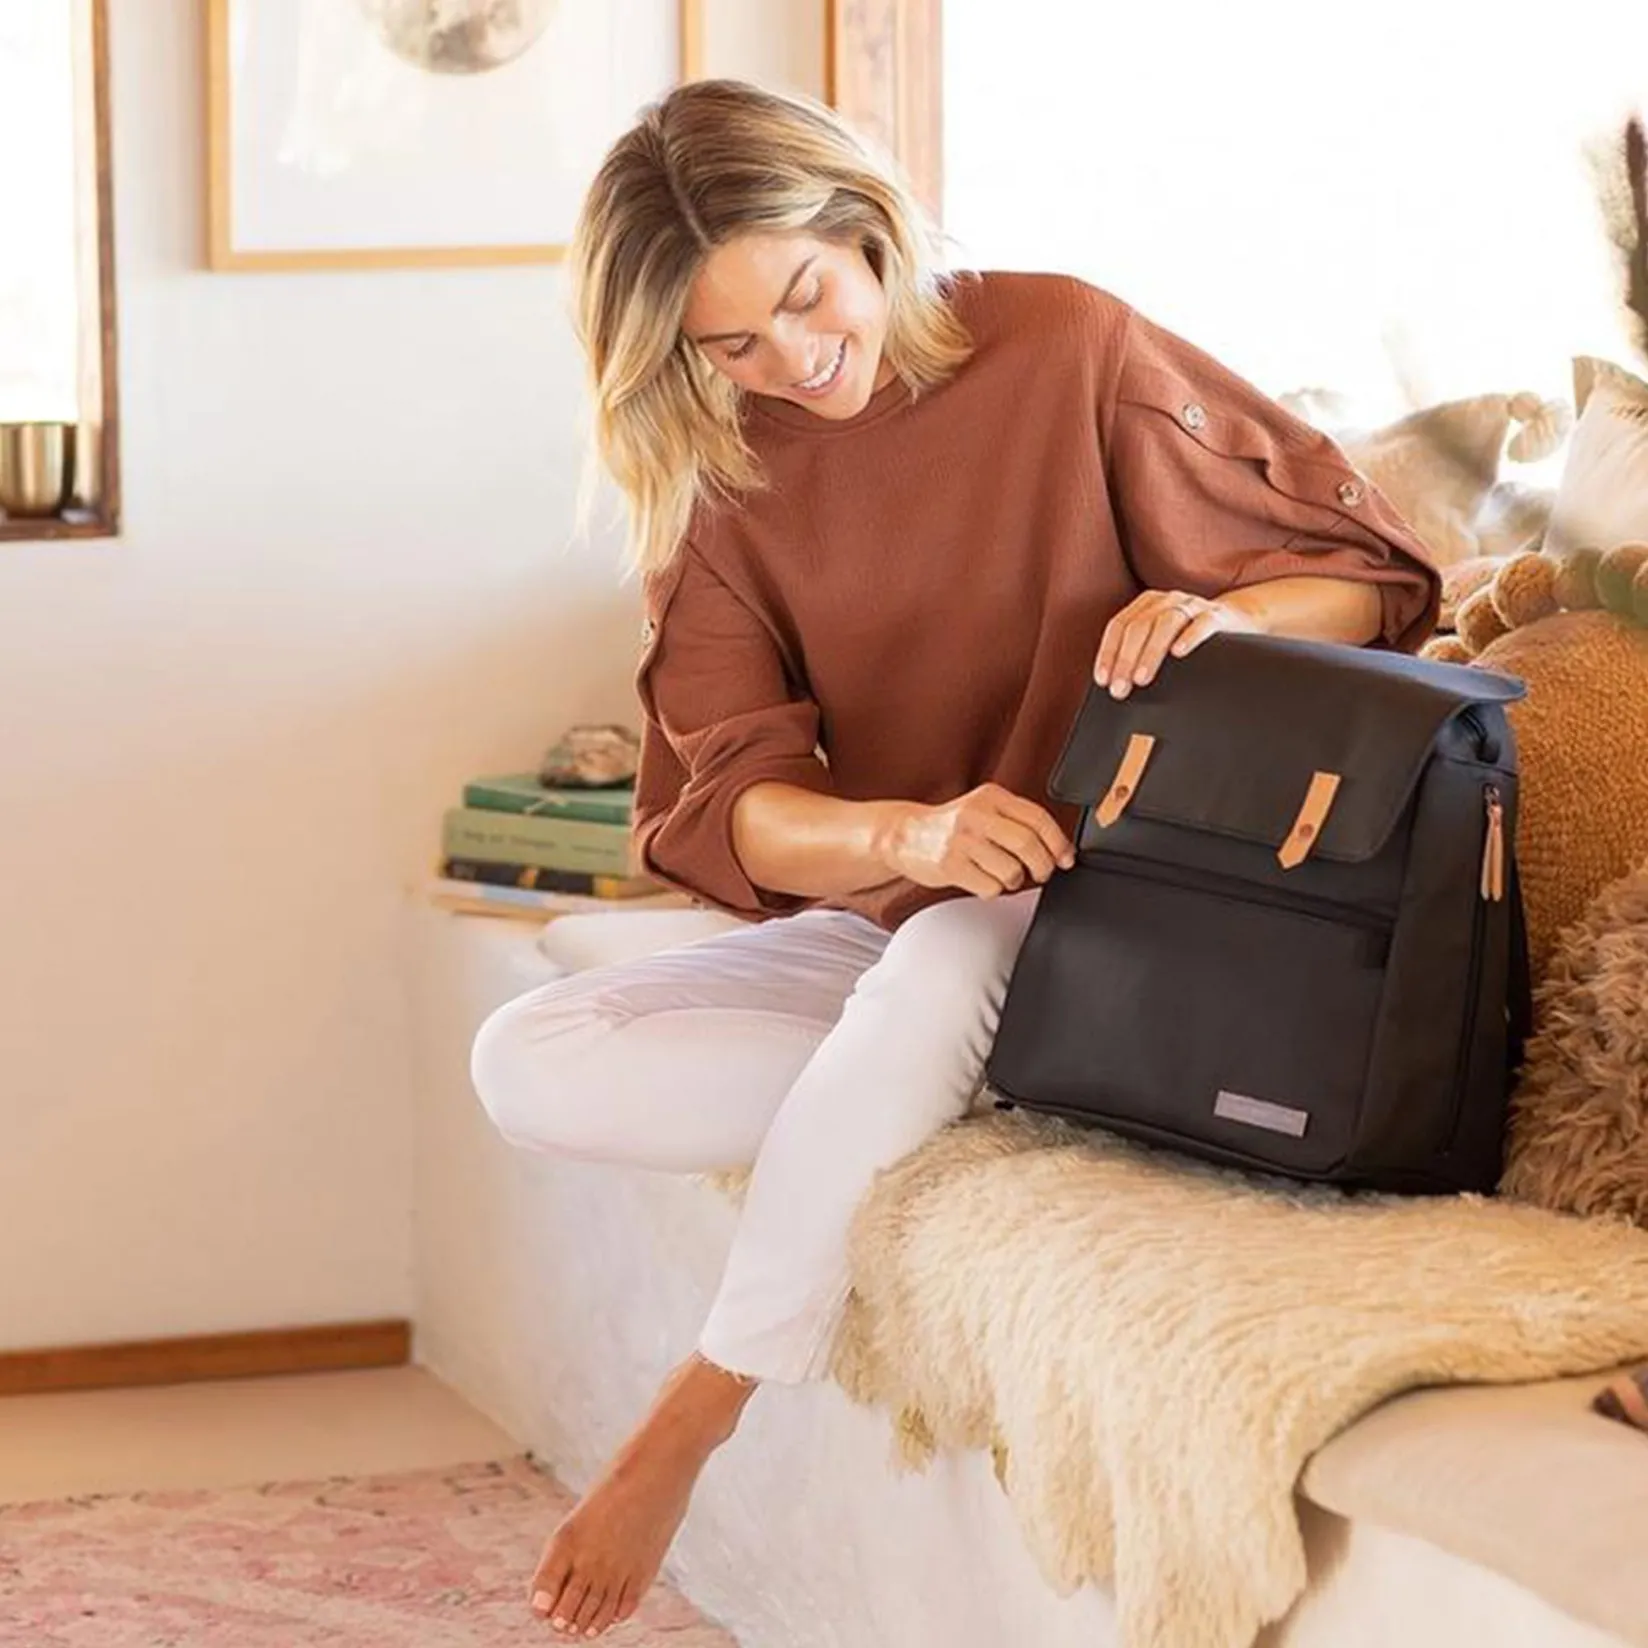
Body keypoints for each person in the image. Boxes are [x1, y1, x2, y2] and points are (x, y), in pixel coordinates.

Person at [469, 77, 1441, 1640]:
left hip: (1139, 904)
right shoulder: (722, 476)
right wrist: (906, 834)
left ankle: (700, 1408)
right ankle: (963, 1080)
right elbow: (735, 803)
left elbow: (1367, 578)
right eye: (732, 343)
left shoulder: (1062, 342)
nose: (793, 358)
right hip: (928, 911)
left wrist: (1223, 618)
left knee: (937, 965)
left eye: (806, 295)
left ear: (863, 227)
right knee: (532, 1061)